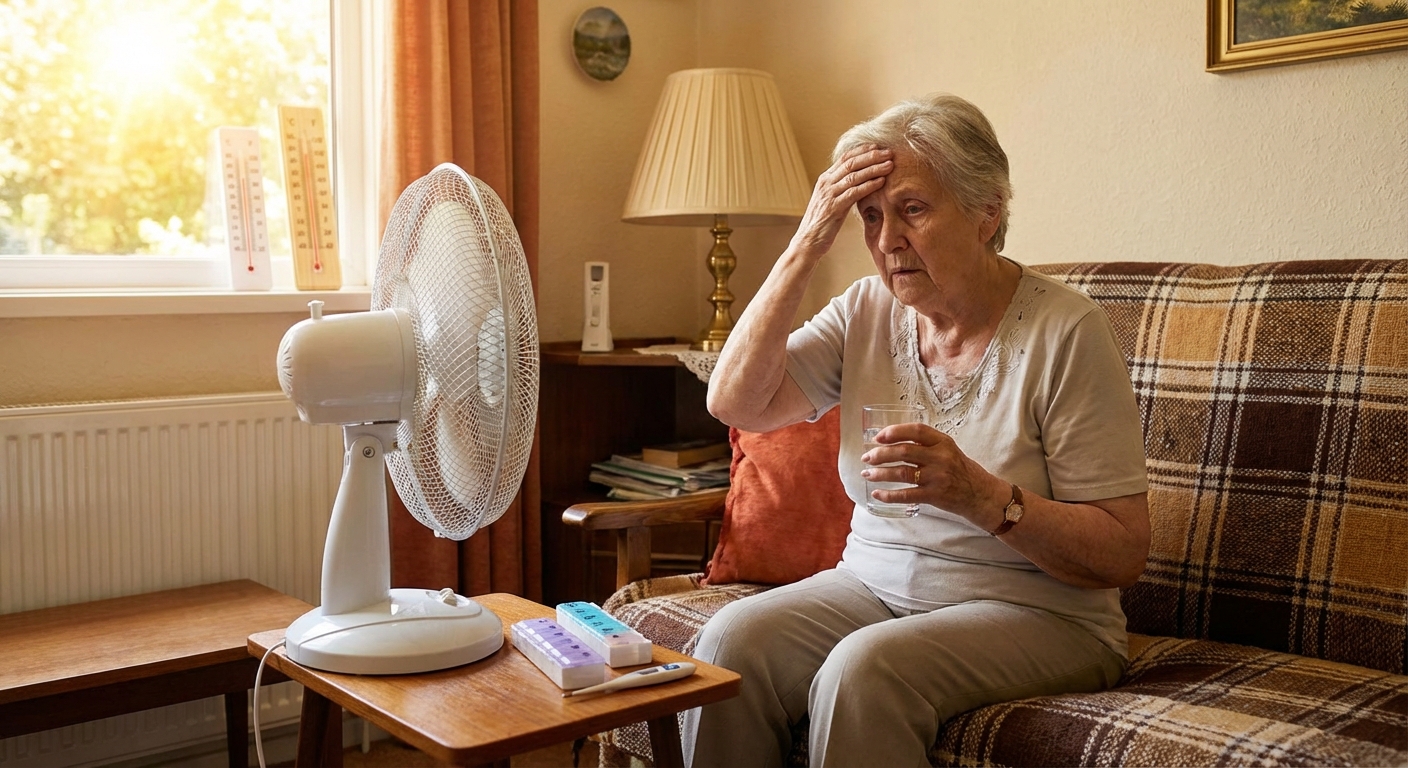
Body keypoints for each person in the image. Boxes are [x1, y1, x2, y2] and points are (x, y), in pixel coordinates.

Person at [686, 93, 1150, 768]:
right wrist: (807, 242)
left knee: (863, 669)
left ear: (987, 211)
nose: (886, 240)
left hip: (1043, 613)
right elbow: (736, 403)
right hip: (870, 586)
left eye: (913, 210)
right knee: (731, 643)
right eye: (870, 216)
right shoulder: (867, 310)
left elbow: (1121, 553)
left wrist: (980, 496)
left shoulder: (1066, 332)